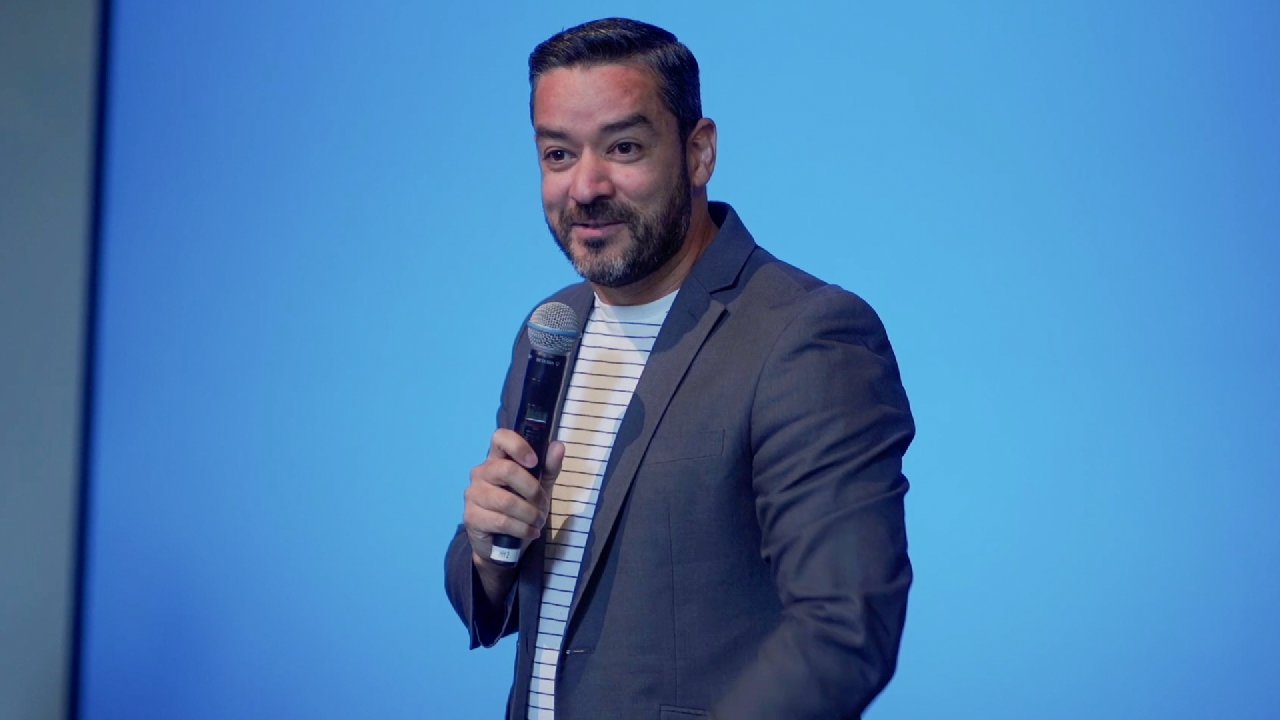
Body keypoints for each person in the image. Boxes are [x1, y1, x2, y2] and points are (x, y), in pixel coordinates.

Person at [445, 17, 914, 720]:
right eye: (558, 154)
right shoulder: (552, 330)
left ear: (699, 152)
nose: (585, 186)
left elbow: (844, 631)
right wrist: (490, 552)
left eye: (624, 147)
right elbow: (497, 597)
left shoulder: (806, 335)